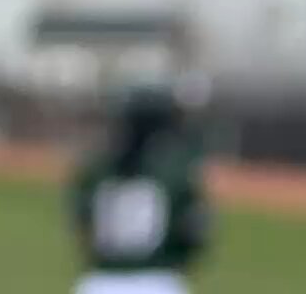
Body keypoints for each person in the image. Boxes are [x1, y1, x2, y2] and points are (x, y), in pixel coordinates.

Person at [69, 84, 210, 294]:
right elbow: (194, 234)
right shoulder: (176, 172)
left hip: (100, 283)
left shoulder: (96, 172)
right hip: (158, 282)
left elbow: (82, 225)